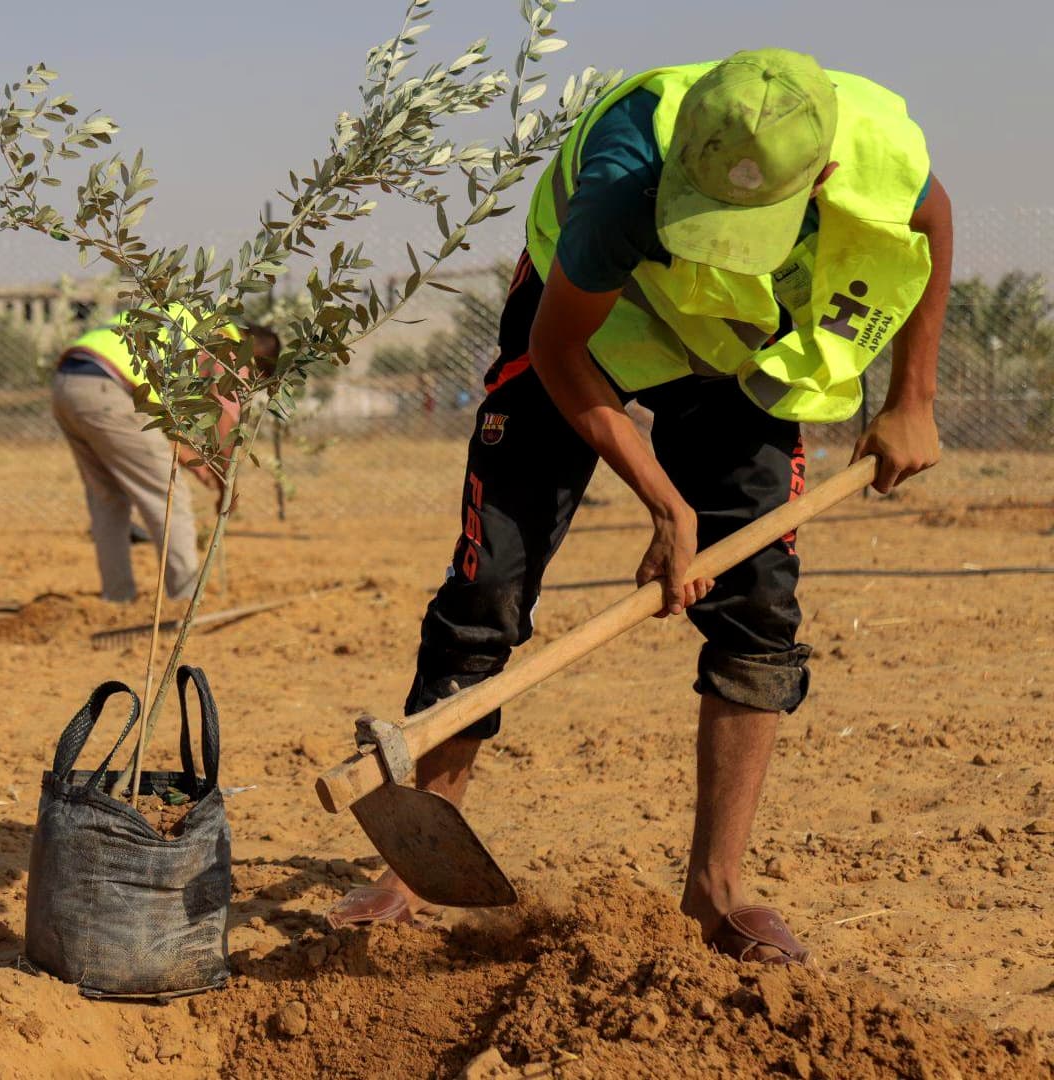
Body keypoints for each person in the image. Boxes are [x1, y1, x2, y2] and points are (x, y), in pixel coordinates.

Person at [329, 49, 951, 965]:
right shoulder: (624, 182)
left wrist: (914, 400)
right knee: (489, 584)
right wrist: (664, 504)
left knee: (759, 607)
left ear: (819, 175)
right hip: (586, 340)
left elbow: (930, 221)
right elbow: (559, 350)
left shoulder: (876, 149)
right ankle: (421, 867)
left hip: (739, 355)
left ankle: (718, 892)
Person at [50, 307, 279, 603]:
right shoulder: (231, 349)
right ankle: (185, 603)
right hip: (110, 391)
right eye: (252, 380)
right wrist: (226, 488)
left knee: (108, 499)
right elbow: (224, 427)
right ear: (257, 361)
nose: (246, 385)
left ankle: (116, 600)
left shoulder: (194, 322)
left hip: (71, 382)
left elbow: (152, 418)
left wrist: (195, 463)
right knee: (170, 497)